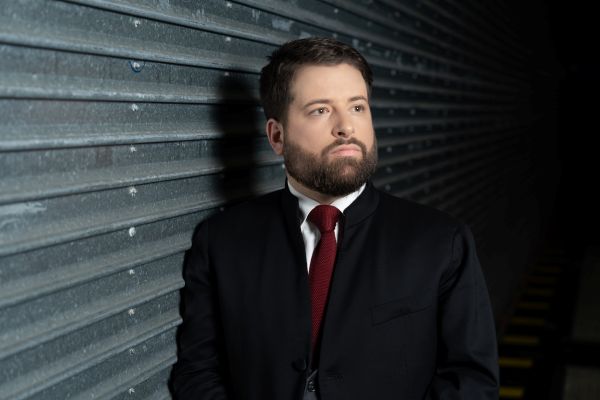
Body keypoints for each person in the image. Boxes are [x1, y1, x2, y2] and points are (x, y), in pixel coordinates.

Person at [171, 37, 499, 399]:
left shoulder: (440, 242)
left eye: (357, 107)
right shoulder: (222, 241)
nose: (346, 127)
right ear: (277, 136)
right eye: (320, 110)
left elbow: (472, 382)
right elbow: (197, 373)